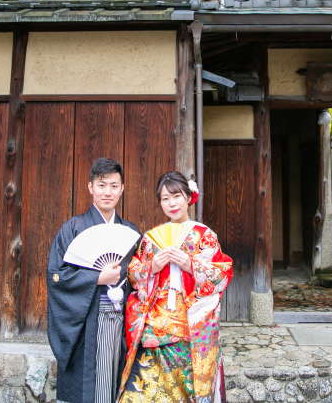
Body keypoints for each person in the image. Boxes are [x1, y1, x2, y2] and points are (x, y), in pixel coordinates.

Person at [118, 171, 232, 403]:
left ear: (189, 197)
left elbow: (222, 274)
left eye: (176, 196)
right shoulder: (151, 239)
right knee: (141, 393)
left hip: (189, 329)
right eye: (164, 198)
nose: (171, 203)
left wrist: (191, 265)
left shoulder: (204, 236)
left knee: (187, 392)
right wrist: (152, 268)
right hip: (155, 327)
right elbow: (133, 274)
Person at [47, 157, 142, 403]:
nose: (107, 192)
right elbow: (56, 276)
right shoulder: (73, 228)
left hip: (119, 321)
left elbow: (141, 280)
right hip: (85, 321)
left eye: (113, 185)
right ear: (90, 188)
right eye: (101, 185)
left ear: (122, 189)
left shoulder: (131, 233)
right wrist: (97, 277)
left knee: (115, 383)